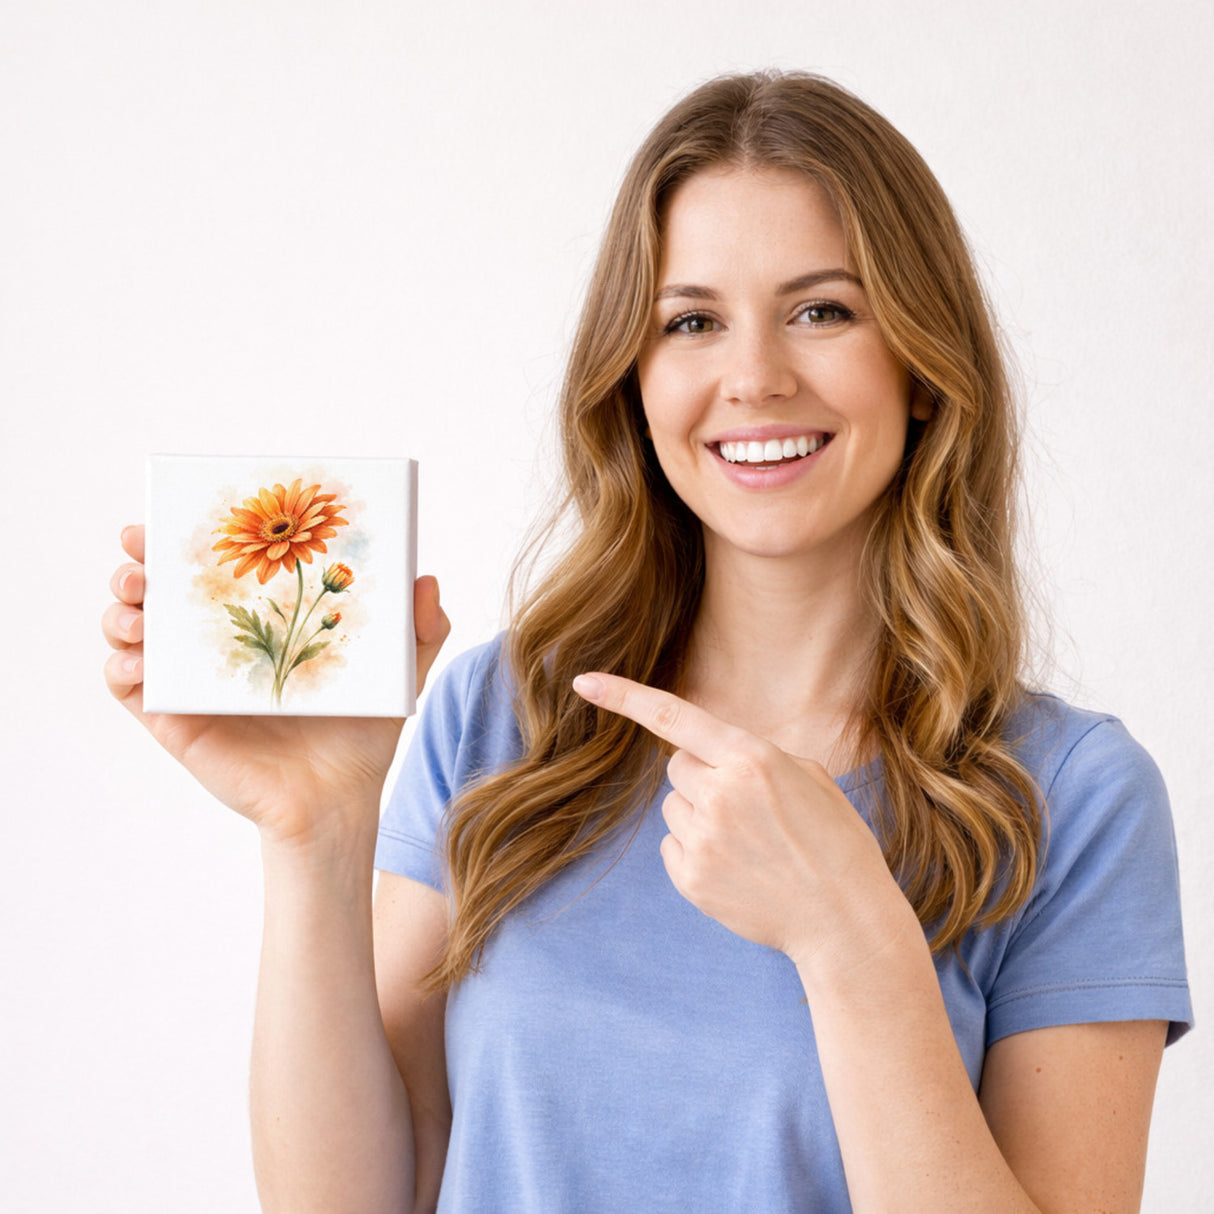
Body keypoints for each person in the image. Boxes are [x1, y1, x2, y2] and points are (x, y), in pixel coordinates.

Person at [103, 71, 1191, 1213]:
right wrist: (318, 837)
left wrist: (848, 939)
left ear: (921, 365)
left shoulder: (1072, 797)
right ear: (633, 375)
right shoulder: (499, 715)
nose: (754, 376)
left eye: (822, 309)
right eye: (690, 321)